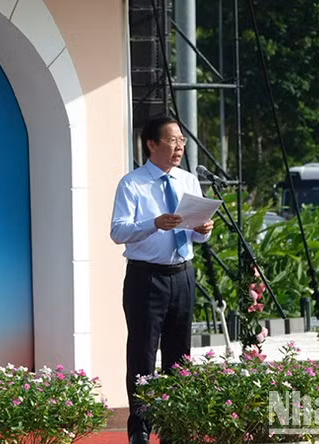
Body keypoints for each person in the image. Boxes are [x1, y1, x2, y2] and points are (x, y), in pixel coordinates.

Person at [110, 117, 214, 444]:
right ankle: (140, 429)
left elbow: (196, 237)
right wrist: (153, 223)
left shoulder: (188, 181)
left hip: (182, 276)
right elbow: (118, 231)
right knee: (143, 354)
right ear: (151, 144)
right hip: (146, 278)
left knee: (179, 354)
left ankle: (175, 426)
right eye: (172, 141)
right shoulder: (132, 184)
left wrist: (202, 231)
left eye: (182, 141)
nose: (179, 147)